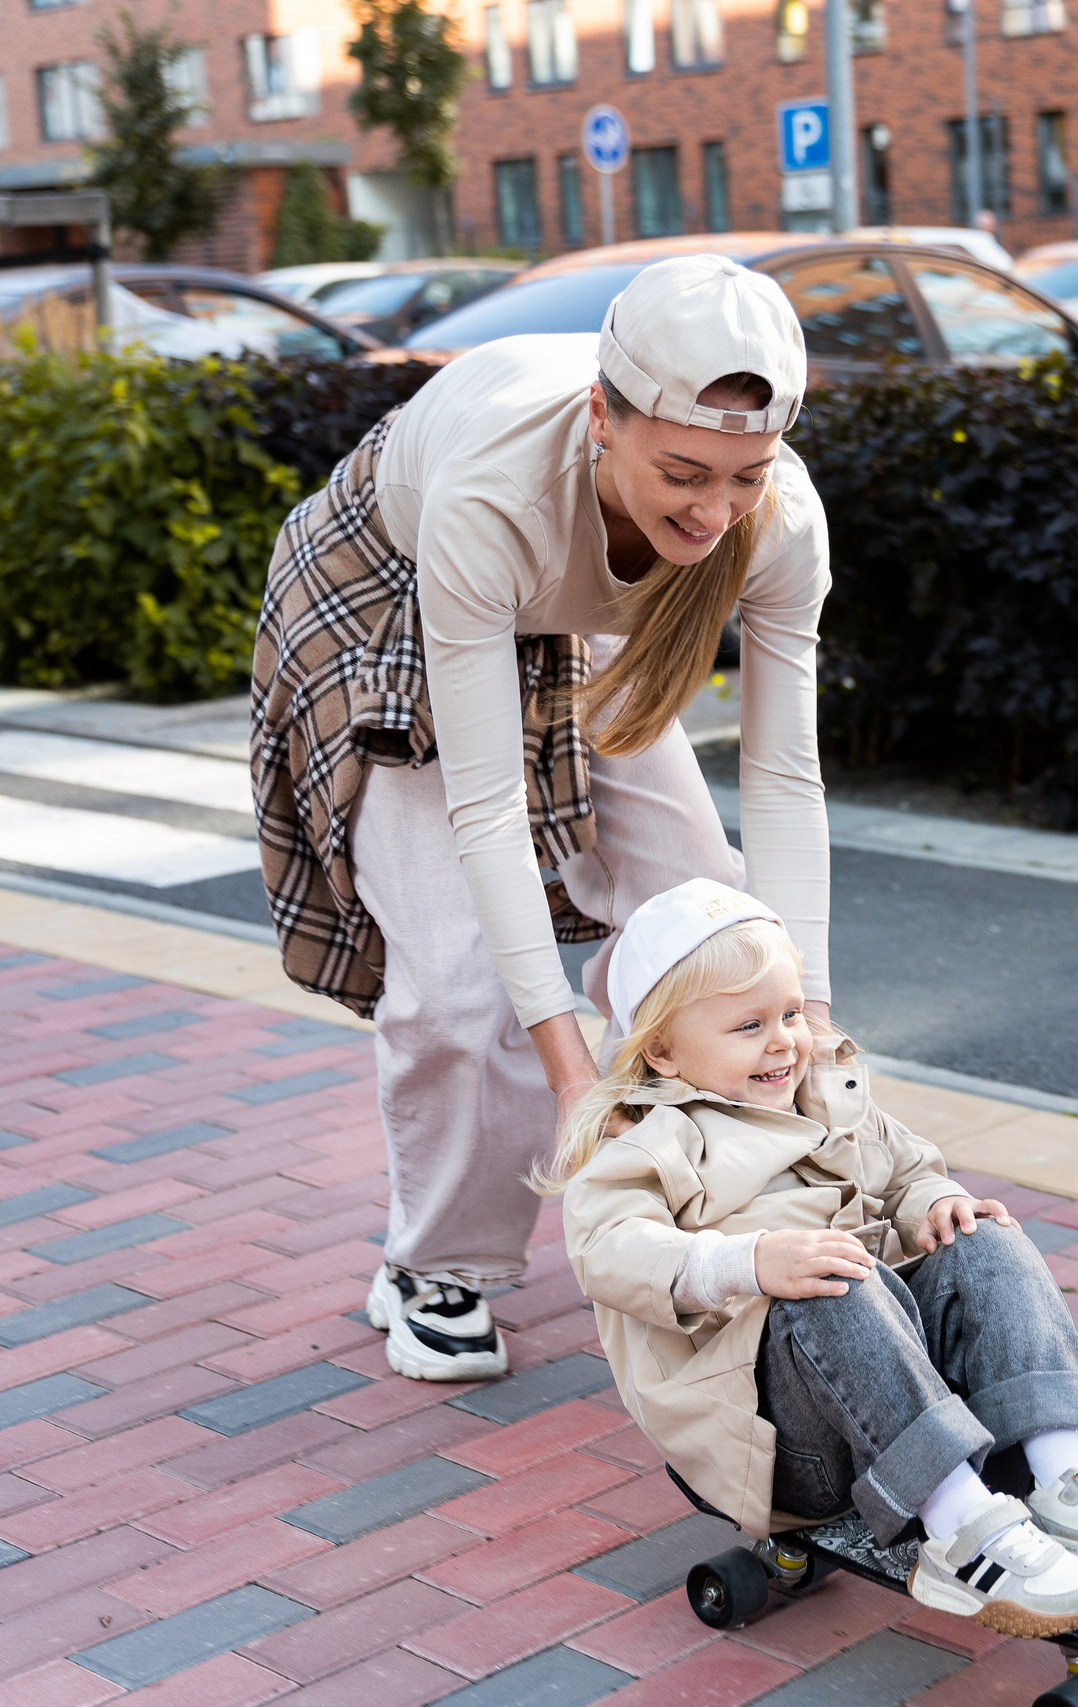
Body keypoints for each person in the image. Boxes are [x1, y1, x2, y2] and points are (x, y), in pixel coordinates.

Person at [250, 256, 835, 1382]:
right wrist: (573, 1072)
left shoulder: (765, 518)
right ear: (601, 418)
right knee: (464, 993)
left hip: (586, 591)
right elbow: (488, 812)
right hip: (397, 585)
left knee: (711, 935)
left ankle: (690, 1211)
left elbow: (784, 782)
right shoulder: (498, 495)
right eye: (685, 471)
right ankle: (439, 1264)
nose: (716, 511)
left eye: (745, 475)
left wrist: (807, 1017)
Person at [550, 880, 1078, 1636]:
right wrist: (749, 1260)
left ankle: (1068, 1475)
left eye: (791, 1013)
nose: (783, 1041)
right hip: (790, 1444)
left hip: (899, 1394)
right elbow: (608, 1248)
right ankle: (964, 1532)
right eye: (748, 1024)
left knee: (983, 1239)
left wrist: (933, 1199)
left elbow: (906, 1167)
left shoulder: (829, 1091)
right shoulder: (654, 1142)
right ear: (662, 1048)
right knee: (826, 1280)